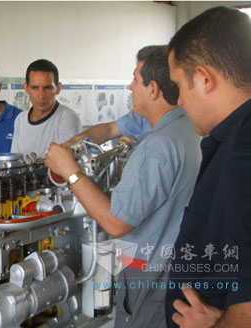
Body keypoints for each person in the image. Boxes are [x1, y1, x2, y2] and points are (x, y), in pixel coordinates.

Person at [46, 45, 200, 328]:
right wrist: (73, 148)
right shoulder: (188, 127)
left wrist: (70, 170)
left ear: (152, 88)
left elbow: (115, 223)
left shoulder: (156, 146)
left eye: (134, 79)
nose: (130, 87)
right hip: (175, 269)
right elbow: (107, 130)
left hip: (150, 277)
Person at [166, 6, 251, 328]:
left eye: (180, 85)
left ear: (204, 78)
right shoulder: (234, 140)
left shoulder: (241, 160)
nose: (180, 101)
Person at [10, 59, 82, 158]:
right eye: (35, 88)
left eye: (47, 88)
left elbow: (68, 163)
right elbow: (14, 159)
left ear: (58, 88)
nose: (41, 95)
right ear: (26, 88)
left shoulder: (66, 118)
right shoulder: (21, 119)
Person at [63, 110, 151, 147]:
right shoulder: (140, 116)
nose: (131, 87)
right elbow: (109, 130)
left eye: (136, 80)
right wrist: (72, 144)